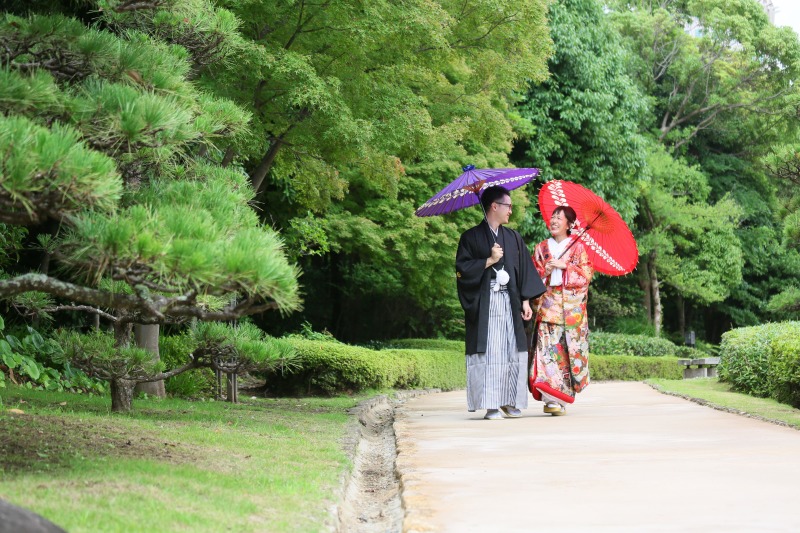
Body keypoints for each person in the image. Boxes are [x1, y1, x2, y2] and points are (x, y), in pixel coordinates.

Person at [455, 186, 546, 420]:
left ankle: (509, 401)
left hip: (511, 302)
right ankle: (491, 404)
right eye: (508, 206)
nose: (510, 210)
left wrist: (526, 300)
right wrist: (489, 260)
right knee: (491, 352)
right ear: (494, 206)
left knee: (511, 351)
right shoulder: (470, 237)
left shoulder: (513, 237)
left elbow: (524, 270)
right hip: (486, 303)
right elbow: (462, 271)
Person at [530, 205, 593, 416]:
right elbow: (531, 277)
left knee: (565, 352)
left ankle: (562, 398)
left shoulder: (578, 248)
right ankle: (550, 398)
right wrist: (544, 271)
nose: (554, 221)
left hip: (570, 309)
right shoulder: (541, 248)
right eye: (552, 217)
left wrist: (566, 266)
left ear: (569, 224)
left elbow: (585, 276)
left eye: (559, 218)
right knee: (546, 350)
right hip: (548, 304)